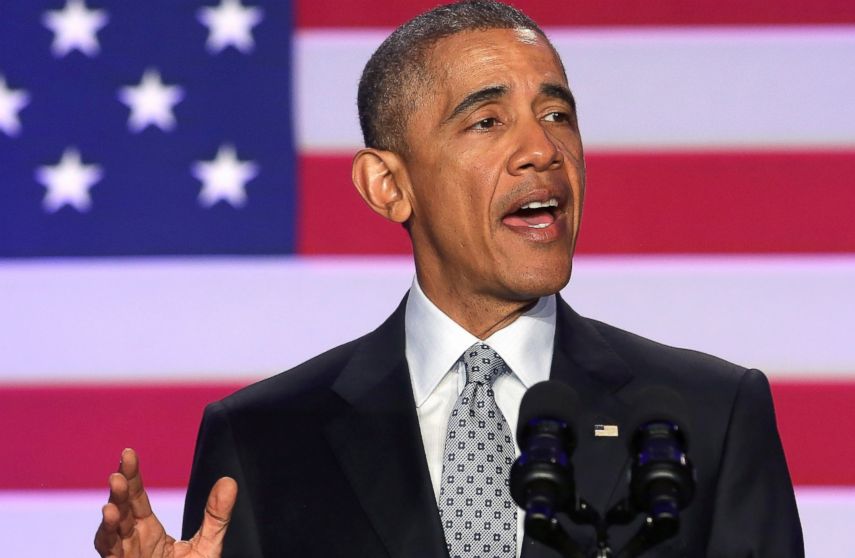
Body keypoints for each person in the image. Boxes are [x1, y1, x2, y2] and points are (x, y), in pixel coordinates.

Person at [94, 2, 804, 557]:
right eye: (488, 120)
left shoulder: (707, 417)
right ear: (388, 186)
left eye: (558, 114)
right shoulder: (265, 438)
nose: (542, 151)